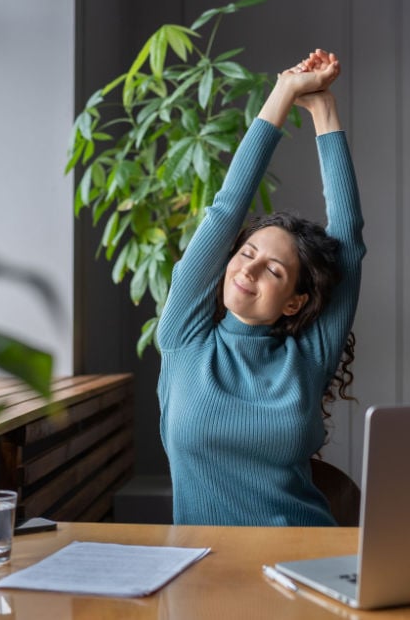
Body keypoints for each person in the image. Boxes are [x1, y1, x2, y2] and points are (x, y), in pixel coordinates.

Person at [155, 49, 366, 526]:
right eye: (247, 254)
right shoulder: (184, 338)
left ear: (295, 301)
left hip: (305, 555)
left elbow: (348, 238)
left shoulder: (308, 357)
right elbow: (226, 209)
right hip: (203, 567)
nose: (248, 271)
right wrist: (284, 91)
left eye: (273, 270)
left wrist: (323, 110)